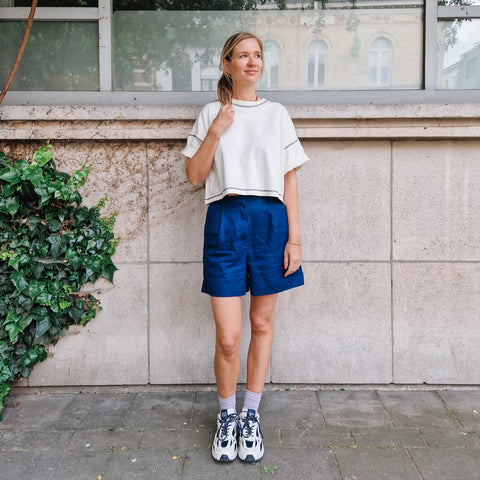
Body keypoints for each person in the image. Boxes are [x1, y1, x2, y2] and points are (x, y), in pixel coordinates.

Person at [182, 32, 309, 463]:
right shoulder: (211, 114)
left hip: (270, 221)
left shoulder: (277, 115)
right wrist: (216, 132)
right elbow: (194, 176)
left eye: (257, 55)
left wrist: (294, 238)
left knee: (261, 324)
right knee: (229, 337)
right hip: (225, 220)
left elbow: (290, 180)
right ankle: (226, 415)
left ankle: (250, 415)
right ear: (227, 63)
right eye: (243, 55)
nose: (252, 62)